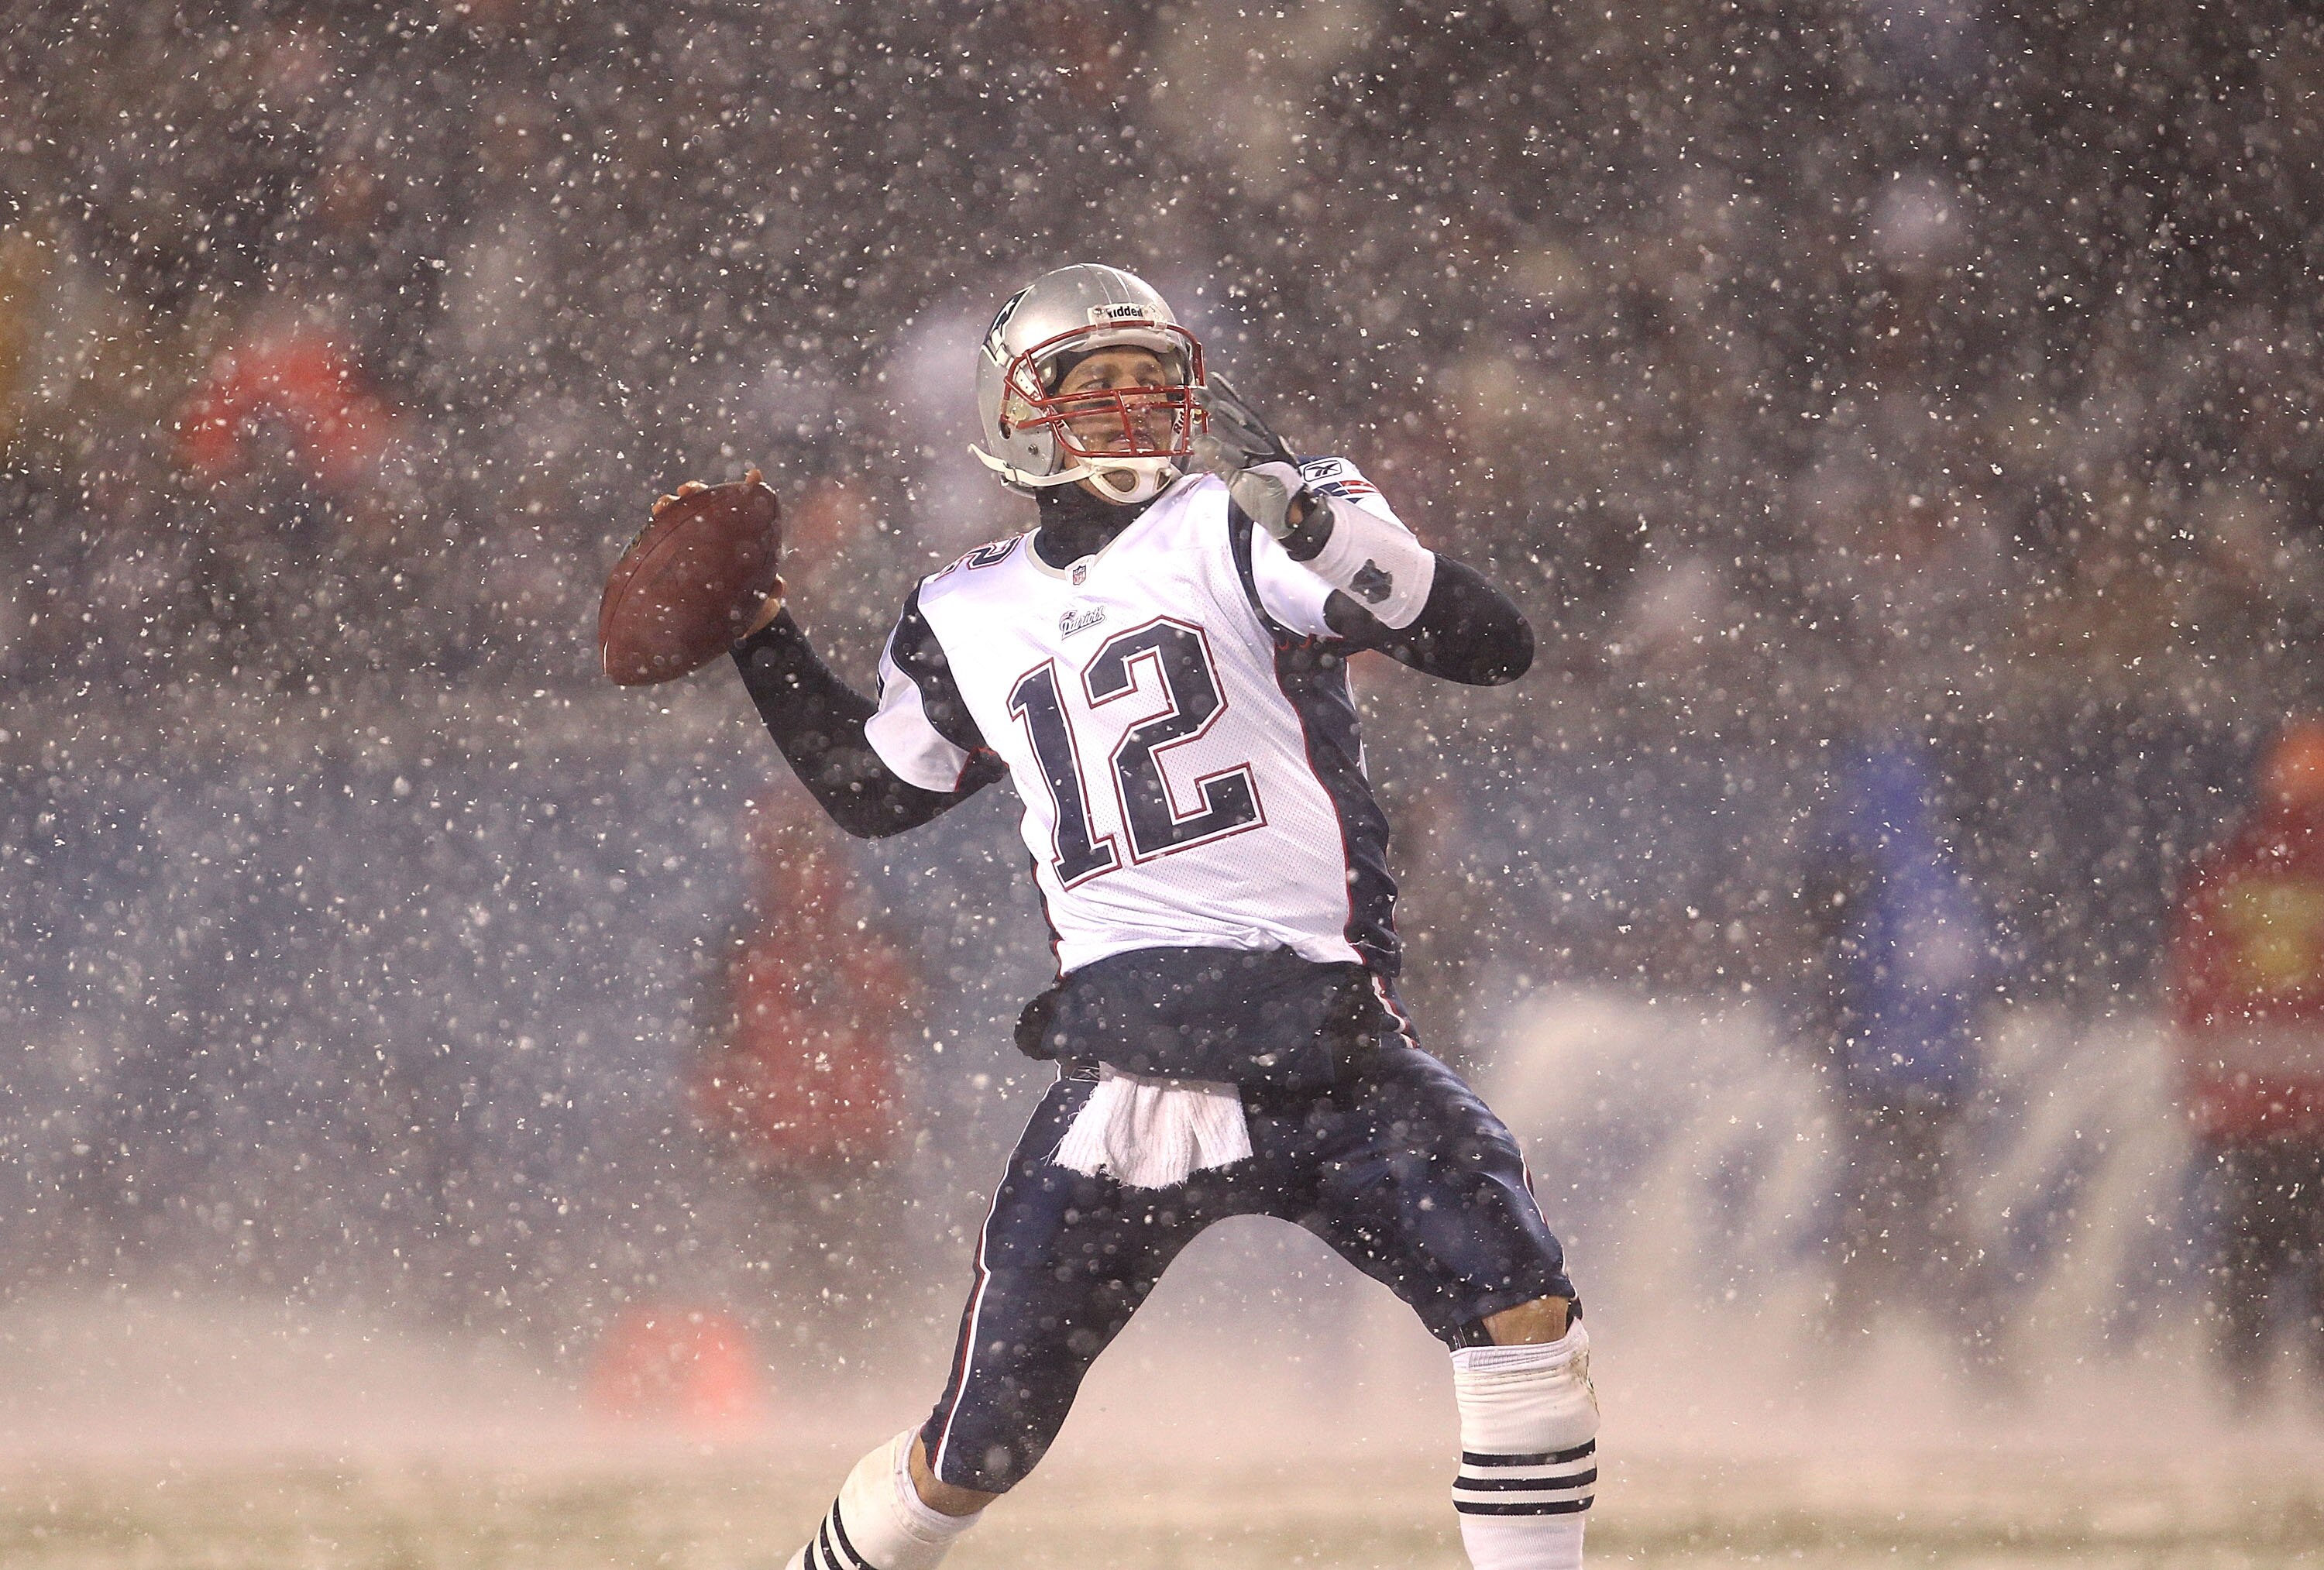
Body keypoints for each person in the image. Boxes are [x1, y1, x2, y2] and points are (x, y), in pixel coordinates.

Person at [686, 264, 1592, 1570]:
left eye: (1150, 380)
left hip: (1323, 1035)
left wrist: (1322, 527)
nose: (1128, 406)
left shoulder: (1249, 518)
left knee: (1525, 1321)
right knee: (972, 1447)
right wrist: (761, 636)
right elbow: (875, 791)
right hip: (1130, 1067)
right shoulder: (965, 605)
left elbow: (1490, 643)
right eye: (1093, 382)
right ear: (1016, 410)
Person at [1797, 735, 2001, 1376]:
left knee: (1883, 1217)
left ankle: (1839, 1360)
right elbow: (1983, 970)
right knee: (1920, 1214)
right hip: (1939, 1079)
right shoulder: (1945, 879)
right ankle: (1986, 1363)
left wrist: (1837, 1044)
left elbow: (1847, 981)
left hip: (1880, 1079)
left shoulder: (1868, 885)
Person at [2170, 719, 2324, 1406]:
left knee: (2250, 1255)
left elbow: (2193, 981)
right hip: (2310, 1109)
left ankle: (2241, 1397)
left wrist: (2205, 1091)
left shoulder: (2231, 863)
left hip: (2247, 1105)